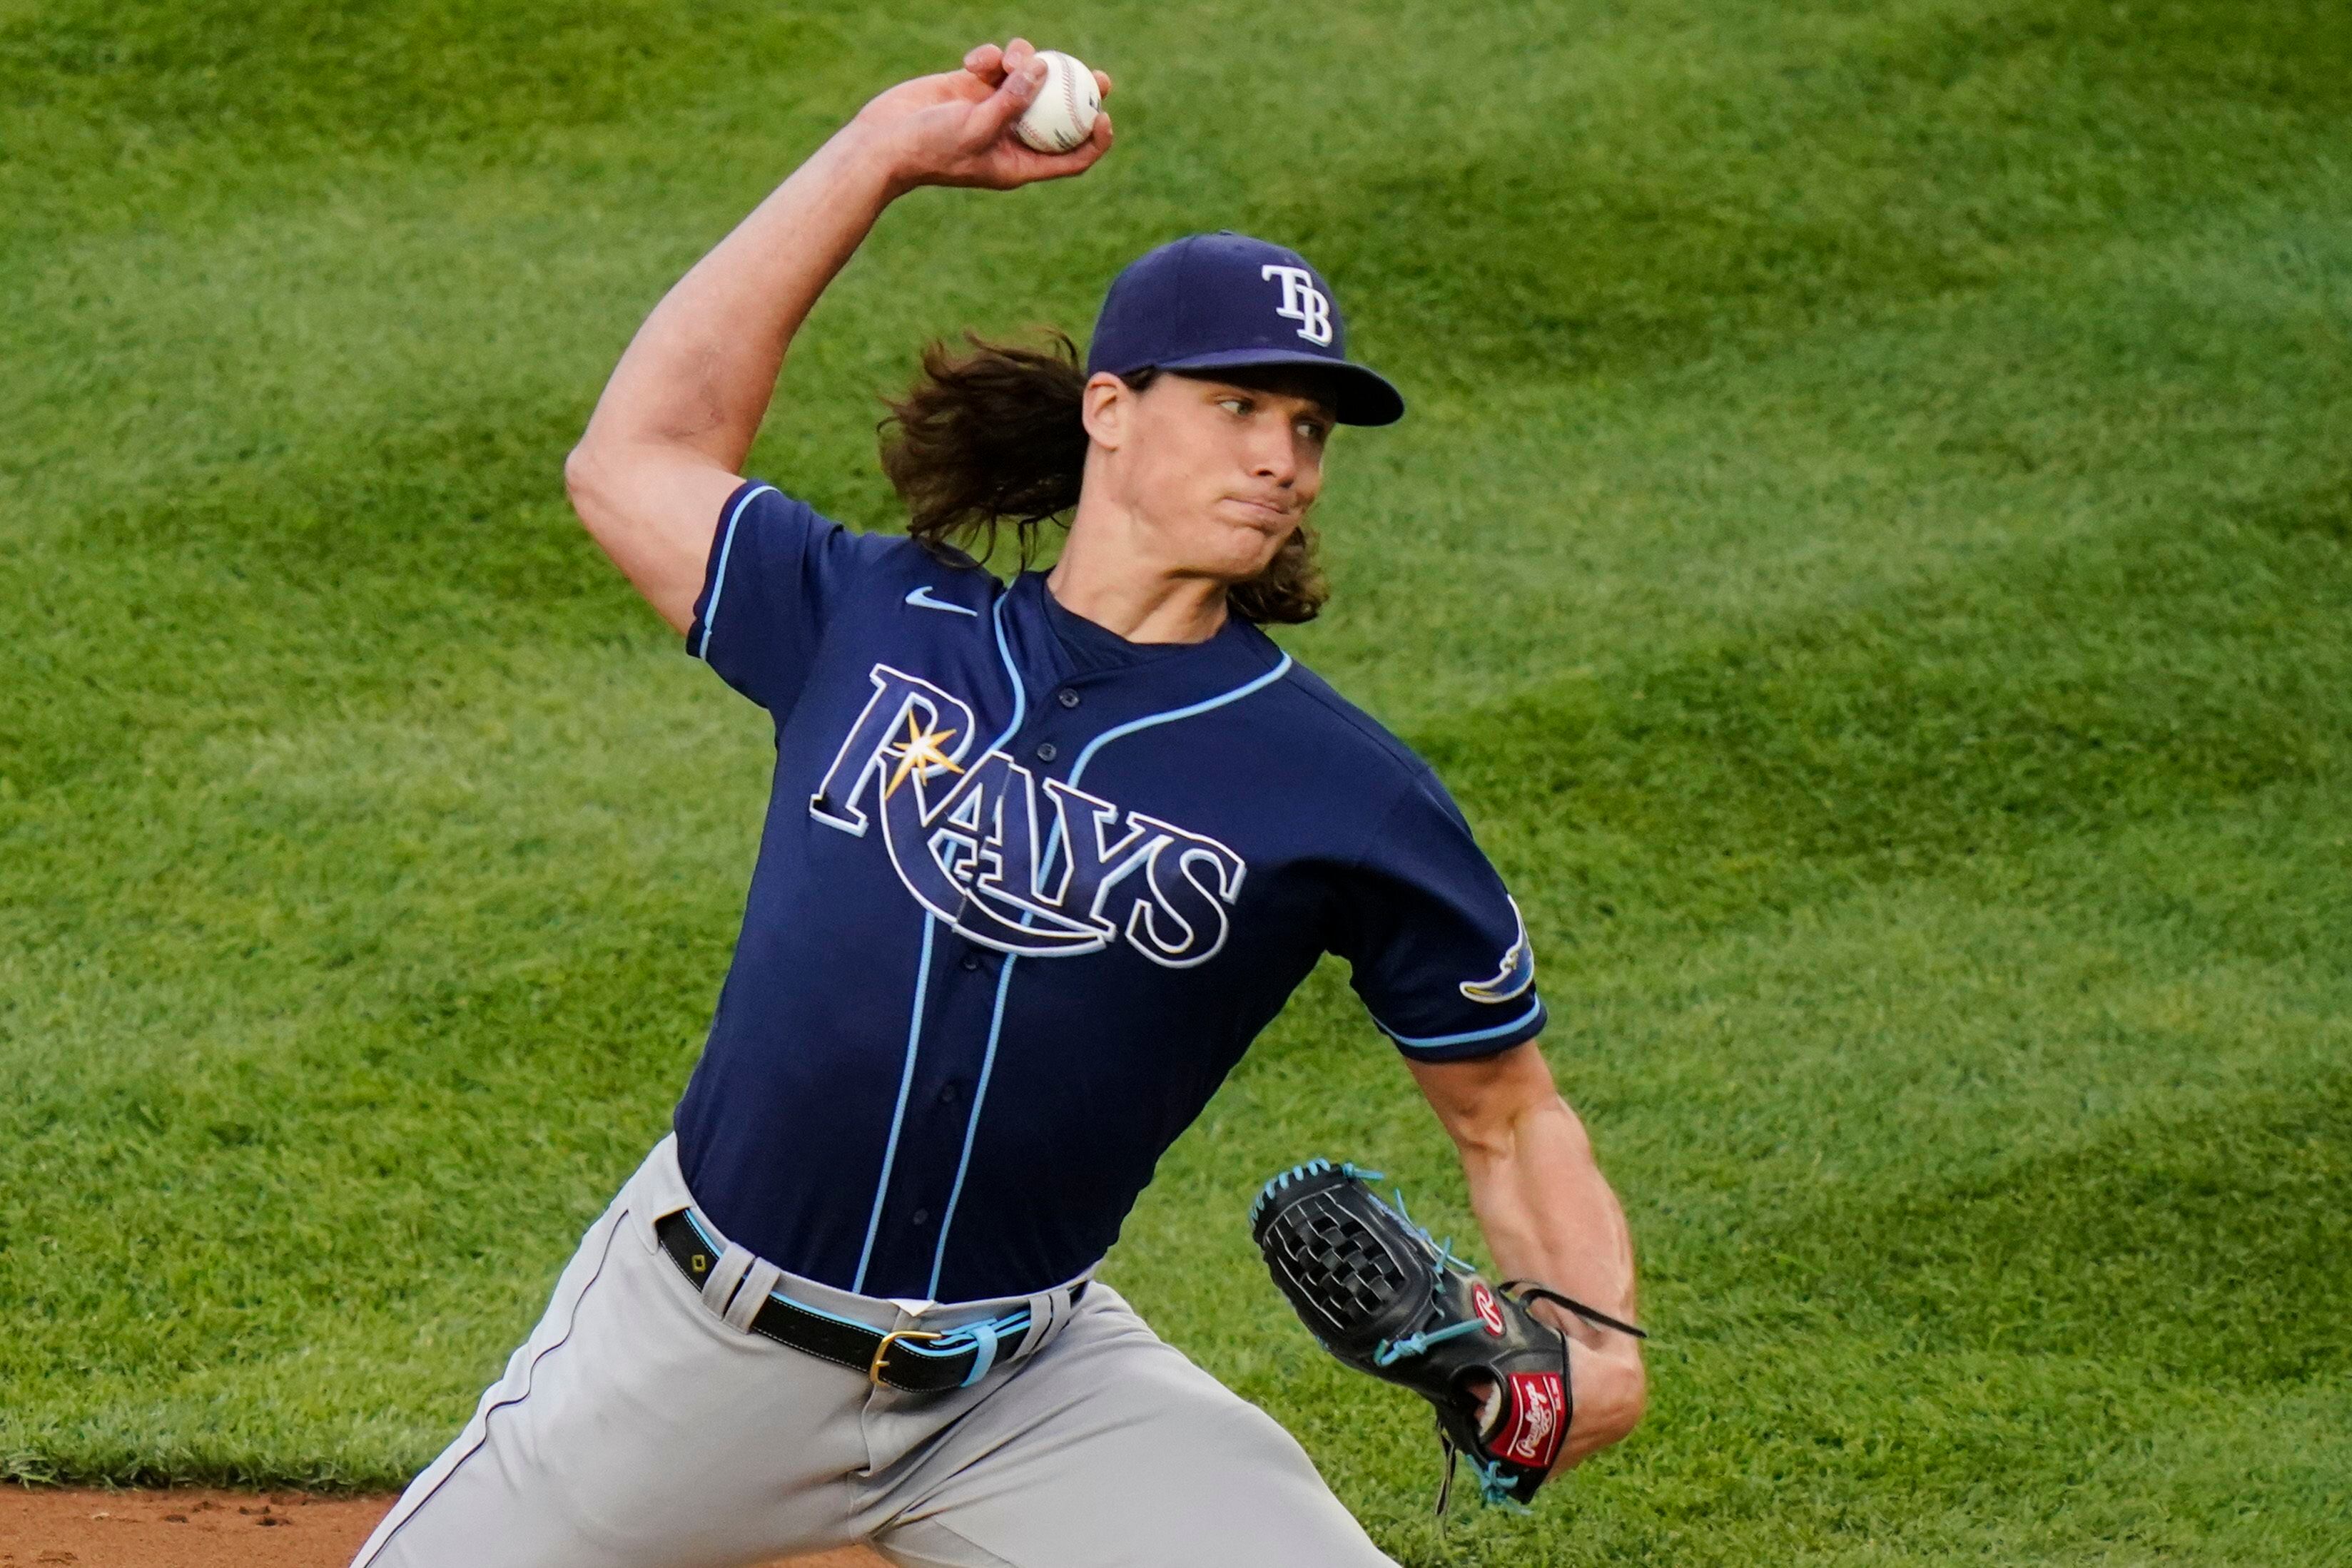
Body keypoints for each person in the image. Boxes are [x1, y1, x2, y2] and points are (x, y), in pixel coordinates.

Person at [350, 37, 1643, 1568]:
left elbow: (1509, 1114)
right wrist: (874, 157)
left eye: (1308, 429)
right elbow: (637, 456)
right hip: (689, 1361)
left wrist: (1597, 1352)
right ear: (1110, 408)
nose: (1284, 458)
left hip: (1033, 1394)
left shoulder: (1340, 790)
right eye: (1239, 405)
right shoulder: (874, 617)